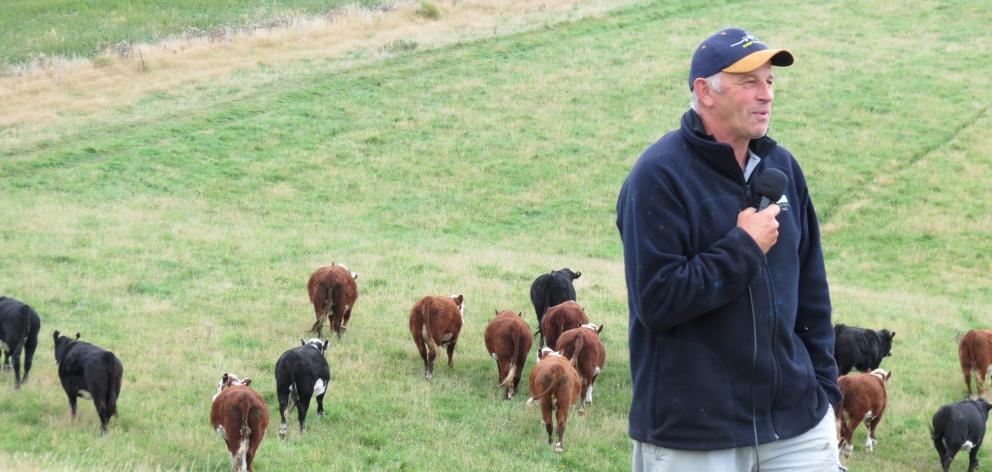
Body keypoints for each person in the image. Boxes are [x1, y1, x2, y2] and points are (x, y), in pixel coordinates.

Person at [616, 28, 843, 471]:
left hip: (796, 425)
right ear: (705, 91)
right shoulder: (658, 177)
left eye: (770, 82)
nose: (766, 95)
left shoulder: (783, 168)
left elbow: (811, 287)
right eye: (749, 83)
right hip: (696, 436)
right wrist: (743, 247)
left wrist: (824, 390)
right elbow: (657, 301)